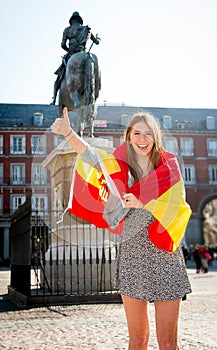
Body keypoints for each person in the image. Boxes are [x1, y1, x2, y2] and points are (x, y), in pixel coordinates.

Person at [51, 107, 192, 350]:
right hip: (132, 256)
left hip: (166, 257)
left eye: (148, 134)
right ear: (128, 137)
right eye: (136, 133)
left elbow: (179, 207)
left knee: (168, 342)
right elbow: (90, 155)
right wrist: (68, 133)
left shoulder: (169, 167)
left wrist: (144, 202)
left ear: (156, 137)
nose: (142, 139)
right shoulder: (118, 165)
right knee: (138, 339)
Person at [50, 11, 100, 105]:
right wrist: (97, 39)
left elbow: (63, 45)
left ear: (72, 21)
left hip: (71, 54)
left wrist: (69, 49)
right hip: (83, 52)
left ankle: (54, 98)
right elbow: (96, 42)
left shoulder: (67, 30)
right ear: (80, 20)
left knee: (58, 77)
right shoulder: (87, 29)